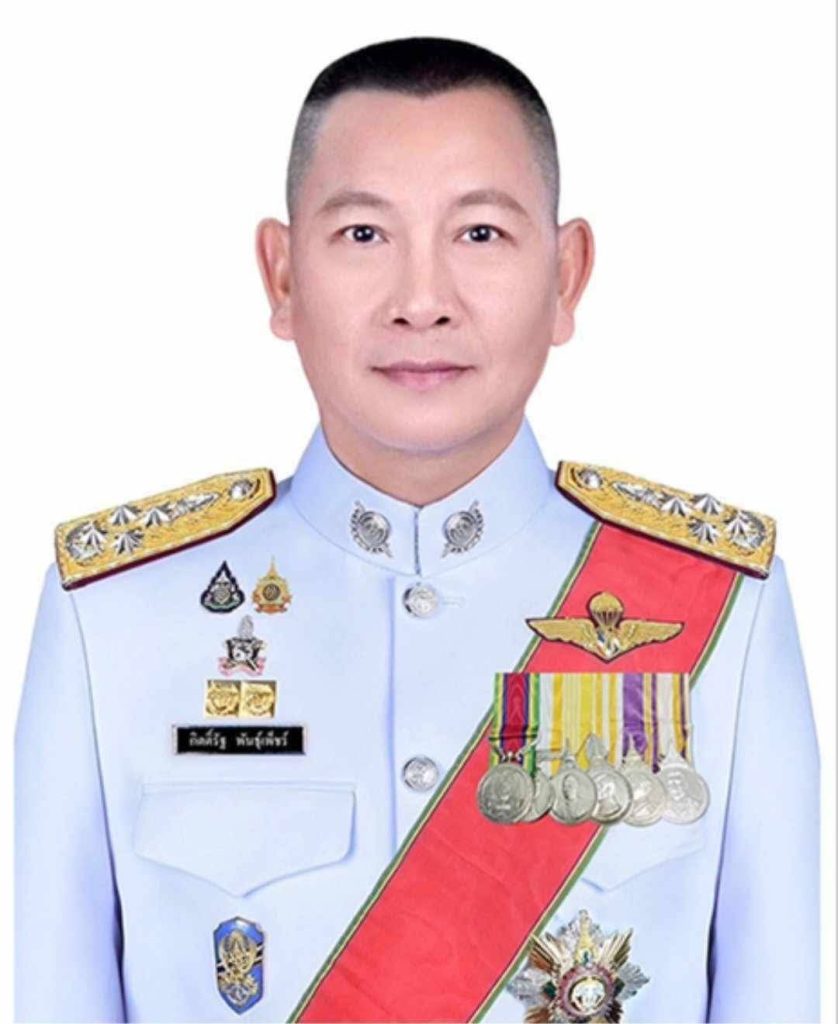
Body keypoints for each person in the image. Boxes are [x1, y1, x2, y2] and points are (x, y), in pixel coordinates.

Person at [14, 35, 819, 1024]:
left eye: (479, 233)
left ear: (566, 276)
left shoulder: (724, 617)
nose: (422, 303)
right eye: (364, 234)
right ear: (281, 274)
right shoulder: (116, 619)